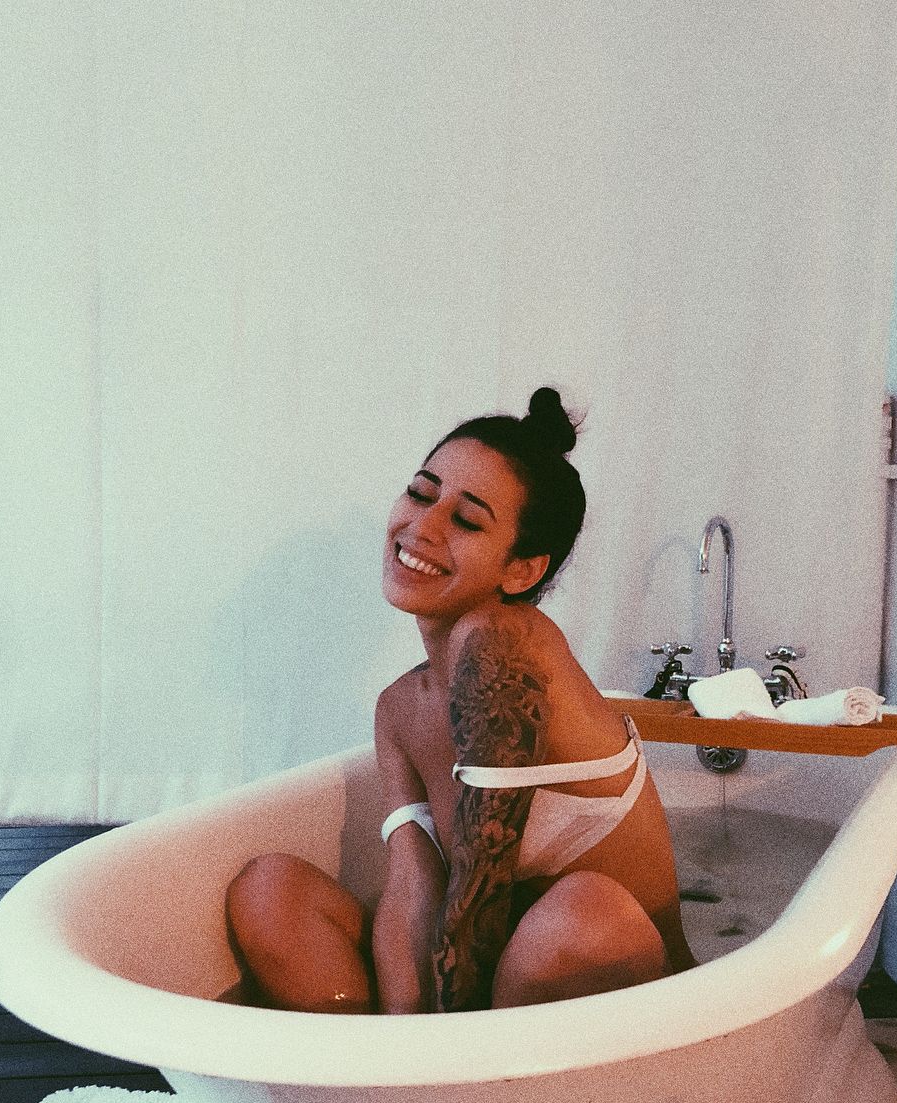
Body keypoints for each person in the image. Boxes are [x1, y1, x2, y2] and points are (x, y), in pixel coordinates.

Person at [225, 387, 695, 1014]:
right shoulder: (399, 707)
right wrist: (402, 1031)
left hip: (641, 1007)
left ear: (522, 570)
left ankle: (439, 1075)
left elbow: (480, 890)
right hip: (490, 990)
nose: (423, 526)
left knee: (582, 914)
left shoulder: (505, 642)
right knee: (270, 890)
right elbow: (413, 893)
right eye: (421, 494)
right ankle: (367, 1067)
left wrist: (441, 1054)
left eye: (467, 521)